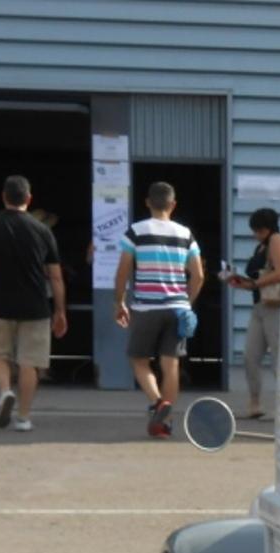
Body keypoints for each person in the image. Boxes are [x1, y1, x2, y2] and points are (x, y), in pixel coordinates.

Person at [0, 175, 66, 433]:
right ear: (29, 199)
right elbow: (55, 275)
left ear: (3, 197)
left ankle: (4, 392)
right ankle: (23, 417)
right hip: (36, 307)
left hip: (0, 305)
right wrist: (60, 310)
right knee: (29, 363)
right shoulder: (43, 231)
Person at [114, 181, 204, 438]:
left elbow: (123, 272)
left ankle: (158, 402)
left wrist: (118, 302)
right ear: (173, 205)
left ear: (147, 202)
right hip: (177, 308)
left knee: (139, 360)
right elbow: (197, 275)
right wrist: (186, 301)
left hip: (145, 307)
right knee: (171, 364)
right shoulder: (186, 234)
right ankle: (164, 424)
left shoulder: (135, 232)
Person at [227, 206, 280, 420]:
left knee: (279, 359)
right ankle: (255, 402)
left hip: (275, 306)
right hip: (259, 307)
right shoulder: (260, 247)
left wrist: (255, 283)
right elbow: (257, 276)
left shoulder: (277, 240)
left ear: (268, 228)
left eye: (258, 230)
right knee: (250, 356)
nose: (255, 234)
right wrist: (241, 282)